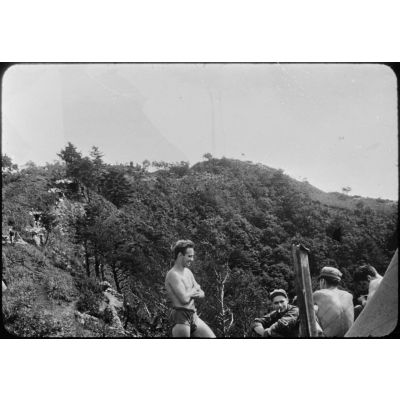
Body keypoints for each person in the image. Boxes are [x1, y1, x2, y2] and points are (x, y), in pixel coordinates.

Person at [165, 239, 215, 338]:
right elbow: (184, 299)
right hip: (180, 316)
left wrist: (192, 292)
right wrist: (194, 290)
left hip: (193, 315)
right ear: (180, 255)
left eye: (192, 256)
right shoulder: (173, 274)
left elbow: (202, 293)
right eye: (189, 256)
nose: (192, 259)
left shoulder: (188, 272)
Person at [313, 266, 354, 337]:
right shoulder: (349, 296)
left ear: (323, 281)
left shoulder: (317, 294)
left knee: (312, 310)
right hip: (349, 336)